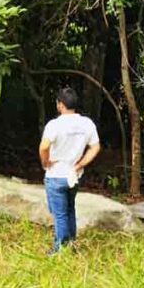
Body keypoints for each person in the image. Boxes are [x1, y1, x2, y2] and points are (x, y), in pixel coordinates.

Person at [39, 86, 101, 254]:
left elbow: (44, 146)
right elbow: (95, 147)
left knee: (59, 214)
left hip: (56, 175)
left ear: (60, 104)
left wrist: (46, 162)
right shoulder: (86, 124)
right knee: (69, 209)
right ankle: (71, 244)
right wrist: (81, 164)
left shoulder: (55, 125)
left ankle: (60, 249)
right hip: (74, 175)